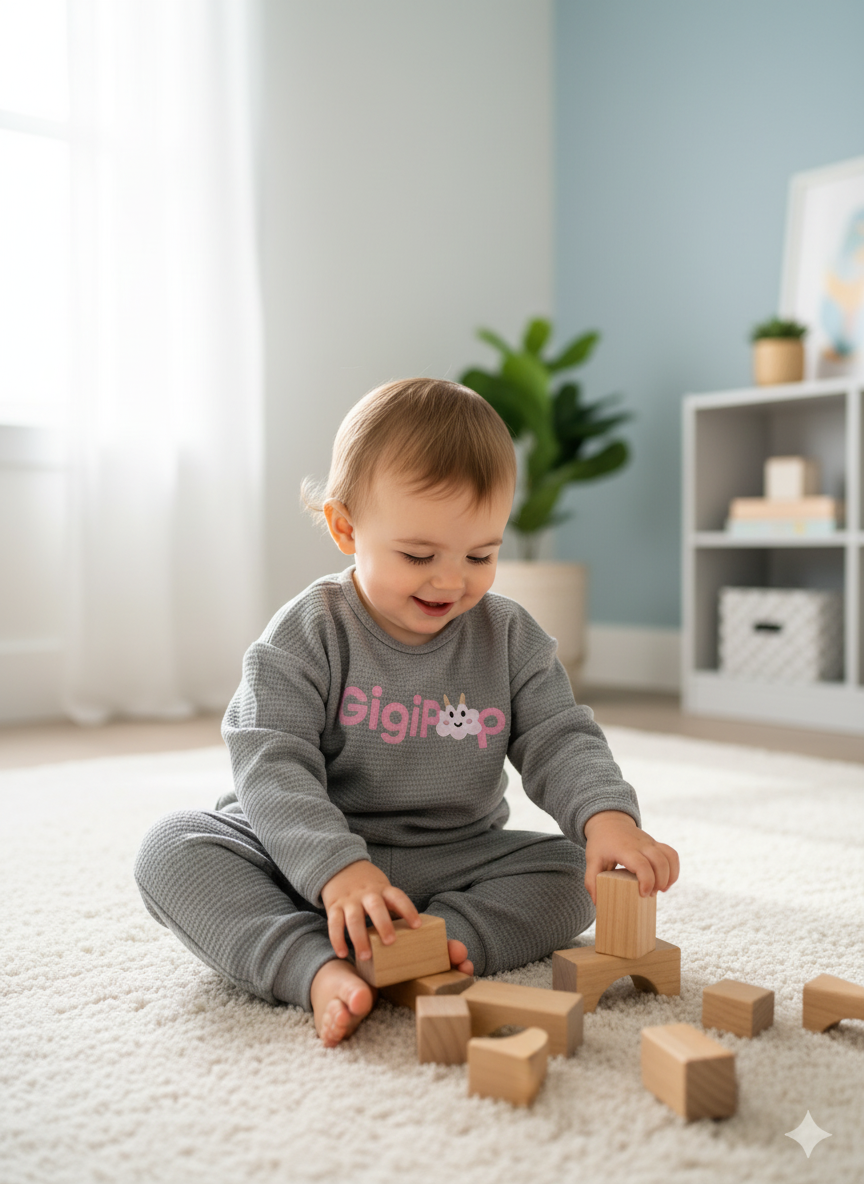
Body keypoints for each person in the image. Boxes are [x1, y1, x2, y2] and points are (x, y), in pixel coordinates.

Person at [134, 378, 679, 1047]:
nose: (452, 580)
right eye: (419, 555)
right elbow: (270, 761)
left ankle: (437, 942)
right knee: (172, 848)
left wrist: (609, 821)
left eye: (482, 554)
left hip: (450, 859)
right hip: (306, 860)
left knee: (572, 873)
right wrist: (336, 870)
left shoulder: (509, 638)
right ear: (345, 528)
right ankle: (311, 964)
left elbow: (560, 738)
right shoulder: (308, 632)